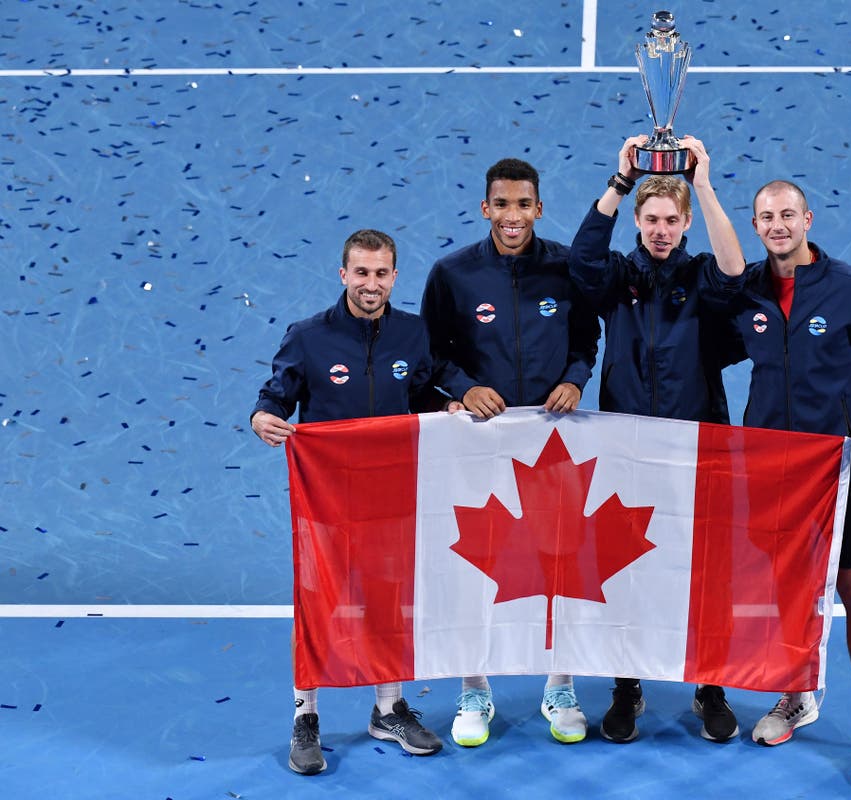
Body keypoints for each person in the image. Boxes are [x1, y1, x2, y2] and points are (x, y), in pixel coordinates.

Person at [729, 180, 851, 787]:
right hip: (772, 469)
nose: (777, 225)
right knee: (787, 587)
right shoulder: (747, 292)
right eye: (766, 217)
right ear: (755, 226)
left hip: (842, 469)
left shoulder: (850, 288)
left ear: (807, 218)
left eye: (788, 214)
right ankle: (796, 693)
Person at [568, 134, 746, 744]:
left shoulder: (702, 277)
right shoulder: (618, 278)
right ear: (638, 221)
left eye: (671, 220)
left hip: (700, 451)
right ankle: (627, 685)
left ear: (686, 221)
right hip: (626, 449)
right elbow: (582, 260)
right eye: (651, 219)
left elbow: (734, 268)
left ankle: (711, 685)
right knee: (626, 569)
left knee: (705, 571)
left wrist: (702, 181)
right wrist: (619, 182)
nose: (661, 230)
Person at [251, 229, 448, 775]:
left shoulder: (412, 334)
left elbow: (426, 392)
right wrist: (261, 417)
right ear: (343, 275)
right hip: (328, 499)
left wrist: (449, 409)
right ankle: (305, 715)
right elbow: (277, 396)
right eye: (361, 272)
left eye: (381, 273)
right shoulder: (308, 337)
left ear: (394, 276)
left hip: (392, 495)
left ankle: (388, 708)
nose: (371, 283)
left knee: (390, 600)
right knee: (320, 602)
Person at [420, 157, 601, 747]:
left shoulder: (566, 269)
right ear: (485, 208)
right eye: (502, 204)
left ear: (539, 208)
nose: (513, 215)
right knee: (478, 559)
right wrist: (464, 388)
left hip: (553, 438)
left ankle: (561, 683)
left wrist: (575, 378)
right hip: (481, 439)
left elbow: (586, 337)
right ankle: (474, 687)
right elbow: (432, 352)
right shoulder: (452, 275)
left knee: (561, 561)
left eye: (523, 204)